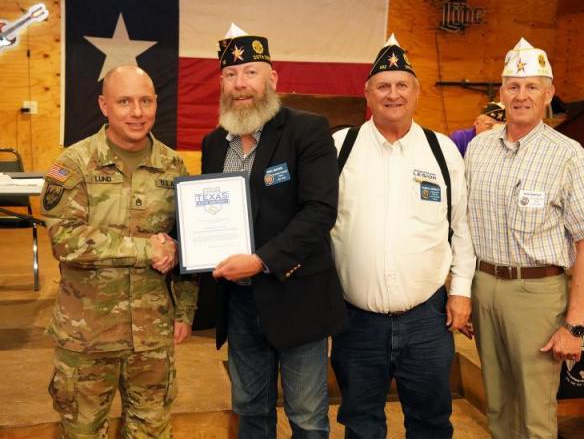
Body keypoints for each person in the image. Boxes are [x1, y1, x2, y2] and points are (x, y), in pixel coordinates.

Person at [199, 23, 348, 439]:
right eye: (231, 74)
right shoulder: (214, 143)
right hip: (240, 303)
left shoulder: (307, 130)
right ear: (222, 83)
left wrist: (261, 261)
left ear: (272, 79)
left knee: (307, 416)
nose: (240, 84)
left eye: (251, 72)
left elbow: (320, 211)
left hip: (297, 295)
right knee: (250, 410)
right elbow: (206, 212)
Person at [330, 34, 476, 439]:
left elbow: (462, 227)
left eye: (401, 85)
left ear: (416, 92)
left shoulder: (442, 150)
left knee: (431, 424)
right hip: (355, 322)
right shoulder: (339, 147)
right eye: (383, 86)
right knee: (361, 424)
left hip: (428, 319)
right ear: (367, 94)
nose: (392, 94)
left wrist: (461, 292)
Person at [465, 38, 584, 438]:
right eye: (513, 86)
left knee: (534, 413)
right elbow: (463, 227)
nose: (521, 95)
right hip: (484, 286)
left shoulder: (568, 155)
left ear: (549, 94)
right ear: (501, 93)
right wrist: (463, 292)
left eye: (532, 87)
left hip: (537, 296)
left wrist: (574, 325)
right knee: (498, 406)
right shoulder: (478, 149)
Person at [42, 65, 198, 439]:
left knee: (151, 432)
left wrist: (185, 311)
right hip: (87, 335)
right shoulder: (73, 164)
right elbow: (65, 240)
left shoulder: (174, 166)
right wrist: (146, 249)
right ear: (104, 105)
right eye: (124, 102)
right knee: (82, 432)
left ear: (156, 103)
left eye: (146, 101)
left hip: (152, 334)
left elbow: (187, 242)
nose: (137, 112)